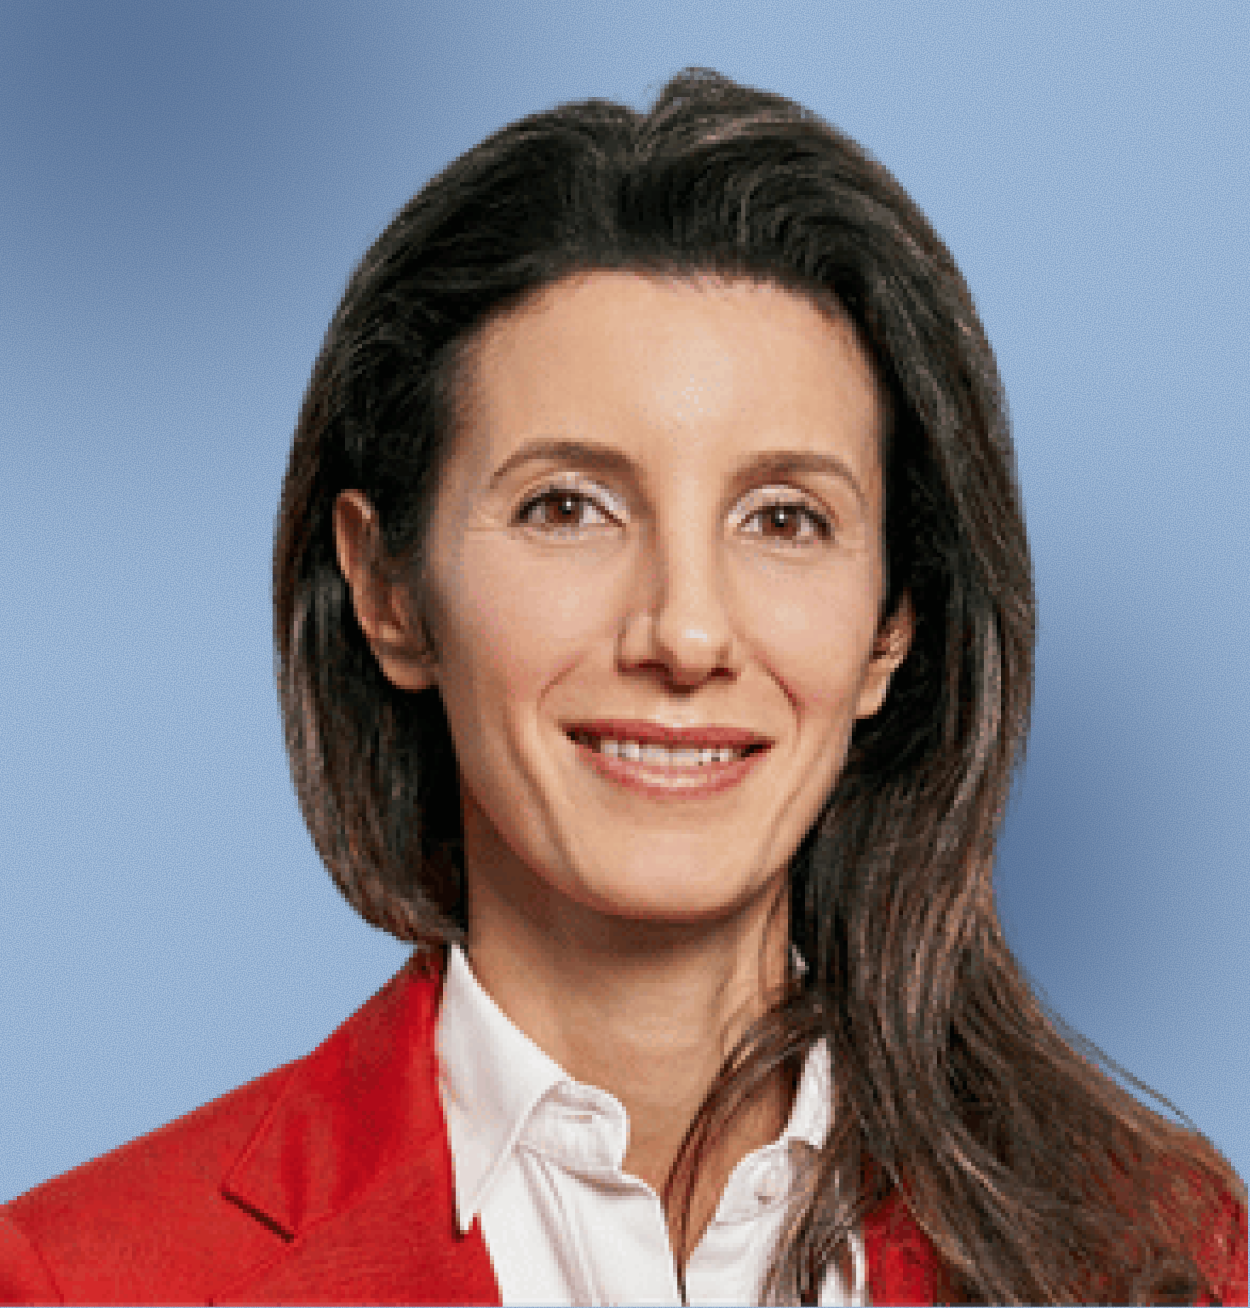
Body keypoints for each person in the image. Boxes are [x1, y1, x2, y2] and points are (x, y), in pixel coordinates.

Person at [1, 67, 1244, 1307]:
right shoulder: (85, 1278)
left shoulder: (1166, 1254)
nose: (686, 632)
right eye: (566, 507)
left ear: (890, 628)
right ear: (388, 589)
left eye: (784, 518)